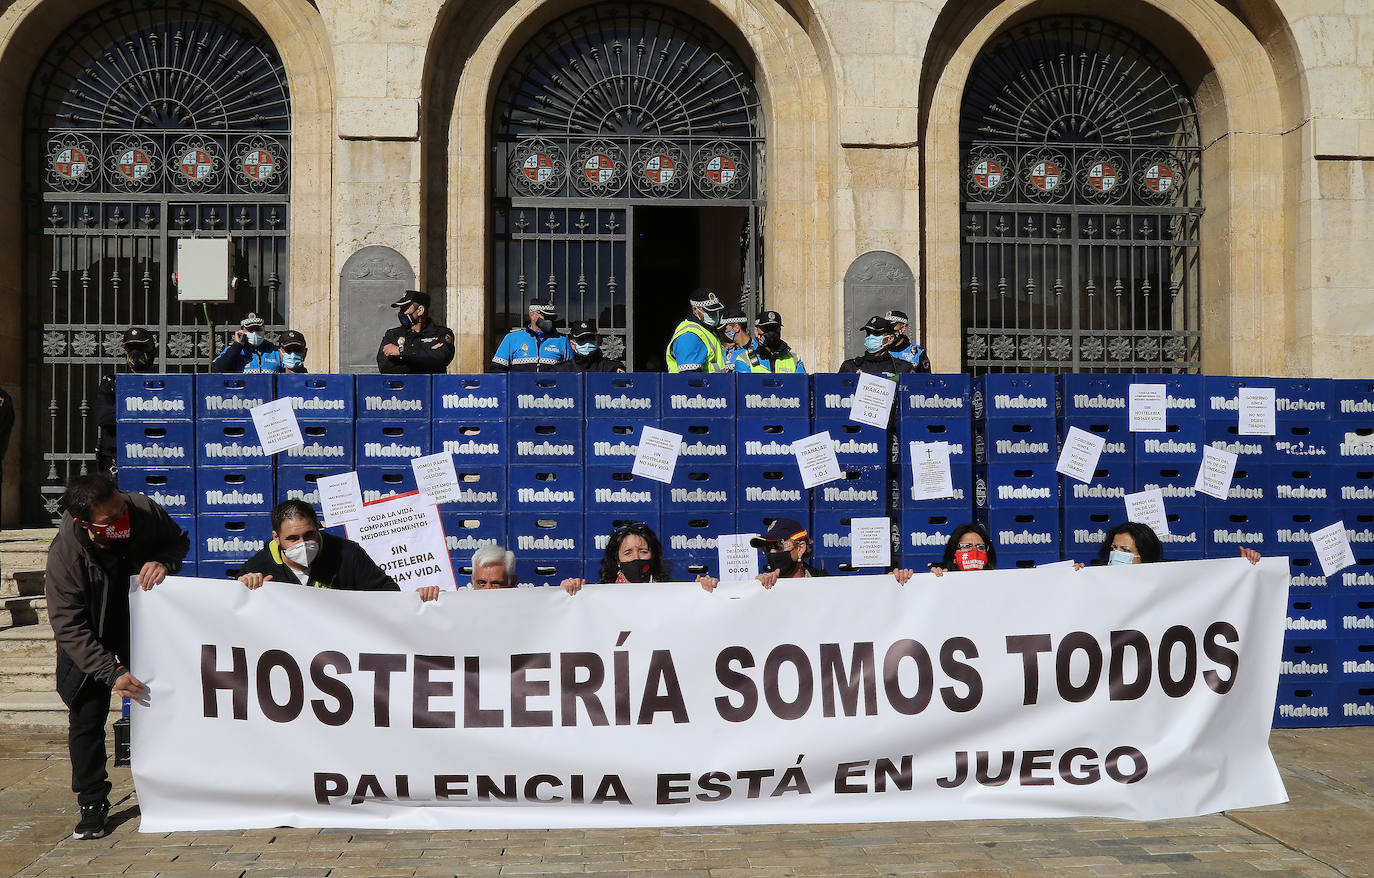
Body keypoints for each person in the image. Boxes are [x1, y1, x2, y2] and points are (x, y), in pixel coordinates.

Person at [44, 474, 189, 840]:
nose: (121, 520)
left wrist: (164, 563)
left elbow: (177, 542)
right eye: (109, 520)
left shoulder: (141, 507)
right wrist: (113, 672)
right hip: (91, 637)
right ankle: (92, 802)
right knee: (86, 721)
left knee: (170, 705)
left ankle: (180, 785)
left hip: (145, 627)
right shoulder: (66, 554)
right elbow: (69, 626)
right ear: (85, 524)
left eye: (120, 510)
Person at [236, 499, 439, 600]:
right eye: (292, 539)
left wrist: (420, 600)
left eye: (309, 535)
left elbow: (388, 596)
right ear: (276, 538)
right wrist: (243, 589)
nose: (302, 544)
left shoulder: (348, 554)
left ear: (318, 528)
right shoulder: (257, 568)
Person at [561, 521, 718, 593]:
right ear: (617, 559)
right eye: (628, 553)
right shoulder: (599, 595)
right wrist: (568, 594)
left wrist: (704, 593)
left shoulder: (670, 594)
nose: (636, 557)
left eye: (643, 551)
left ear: (653, 555)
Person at [93, 327, 158, 479]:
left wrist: (125, 412)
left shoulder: (164, 384)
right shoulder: (112, 383)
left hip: (153, 455)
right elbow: (104, 417)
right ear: (125, 353)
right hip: (118, 458)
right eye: (131, 348)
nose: (136, 353)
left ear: (153, 352)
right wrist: (147, 408)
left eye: (141, 348)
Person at [1086, 521, 1261, 567]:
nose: (1116, 554)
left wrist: (1243, 567)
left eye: (1125, 550)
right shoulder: (1097, 579)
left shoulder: (1169, 582)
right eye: (1113, 548)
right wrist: (1076, 577)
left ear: (1144, 556)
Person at [377, 290, 457, 374]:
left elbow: (441, 358)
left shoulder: (441, 334)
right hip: (404, 386)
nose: (401, 313)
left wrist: (401, 352)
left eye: (405, 308)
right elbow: (385, 366)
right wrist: (427, 356)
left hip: (432, 385)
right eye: (401, 309)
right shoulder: (393, 334)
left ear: (420, 310)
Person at [490, 298, 572, 372]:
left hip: (551, 388)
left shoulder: (562, 341)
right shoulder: (511, 338)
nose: (549, 321)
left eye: (552, 318)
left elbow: (571, 373)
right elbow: (497, 371)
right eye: (546, 316)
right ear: (532, 314)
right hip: (520, 388)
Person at [665, 288, 727, 373]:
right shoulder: (690, 335)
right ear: (695, 309)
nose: (713, 314)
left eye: (715, 311)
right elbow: (690, 379)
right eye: (708, 311)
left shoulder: (706, 330)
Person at [839, 316, 916, 378]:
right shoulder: (850, 367)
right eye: (868, 333)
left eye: (876, 333)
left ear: (890, 338)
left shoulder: (903, 369)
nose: (871, 337)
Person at [735, 309, 807, 373]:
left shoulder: (794, 359)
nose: (771, 333)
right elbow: (744, 387)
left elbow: (801, 385)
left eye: (775, 328)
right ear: (756, 331)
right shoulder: (744, 359)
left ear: (780, 330)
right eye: (766, 328)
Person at [212, 313, 282, 373]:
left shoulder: (275, 351)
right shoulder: (234, 350)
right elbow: (216, 369)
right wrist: (237, 346)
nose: (254, 333)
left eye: (258, 329)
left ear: (264, 330)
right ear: (242, 331)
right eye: (250, 330)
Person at [552, 320, 624, 372]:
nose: (587, 342)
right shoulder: (560, 371)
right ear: (572, 344)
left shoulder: (612, 368)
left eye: (590, 338)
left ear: (598, 341)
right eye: (582, 339)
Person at [929, 522, 997, 576]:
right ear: (953, 552)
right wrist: (934, 580)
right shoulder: (944, 575)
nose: (975, 552)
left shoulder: (997, 580)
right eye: (967, 546)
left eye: (981, 547)